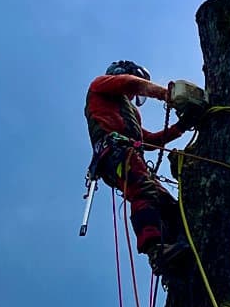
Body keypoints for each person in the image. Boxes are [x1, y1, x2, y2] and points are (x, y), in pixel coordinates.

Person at [84, 60, 197, 276]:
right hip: (115, 153)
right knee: (143, 190)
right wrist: (167, 94)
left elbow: (151, 140)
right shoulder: (100, 85)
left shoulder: (129, 113)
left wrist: (181, 126)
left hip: (128, 155)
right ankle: (156, 250)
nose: (135, 98)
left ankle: (175, 249)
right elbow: (130, 83)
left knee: (169, 206)